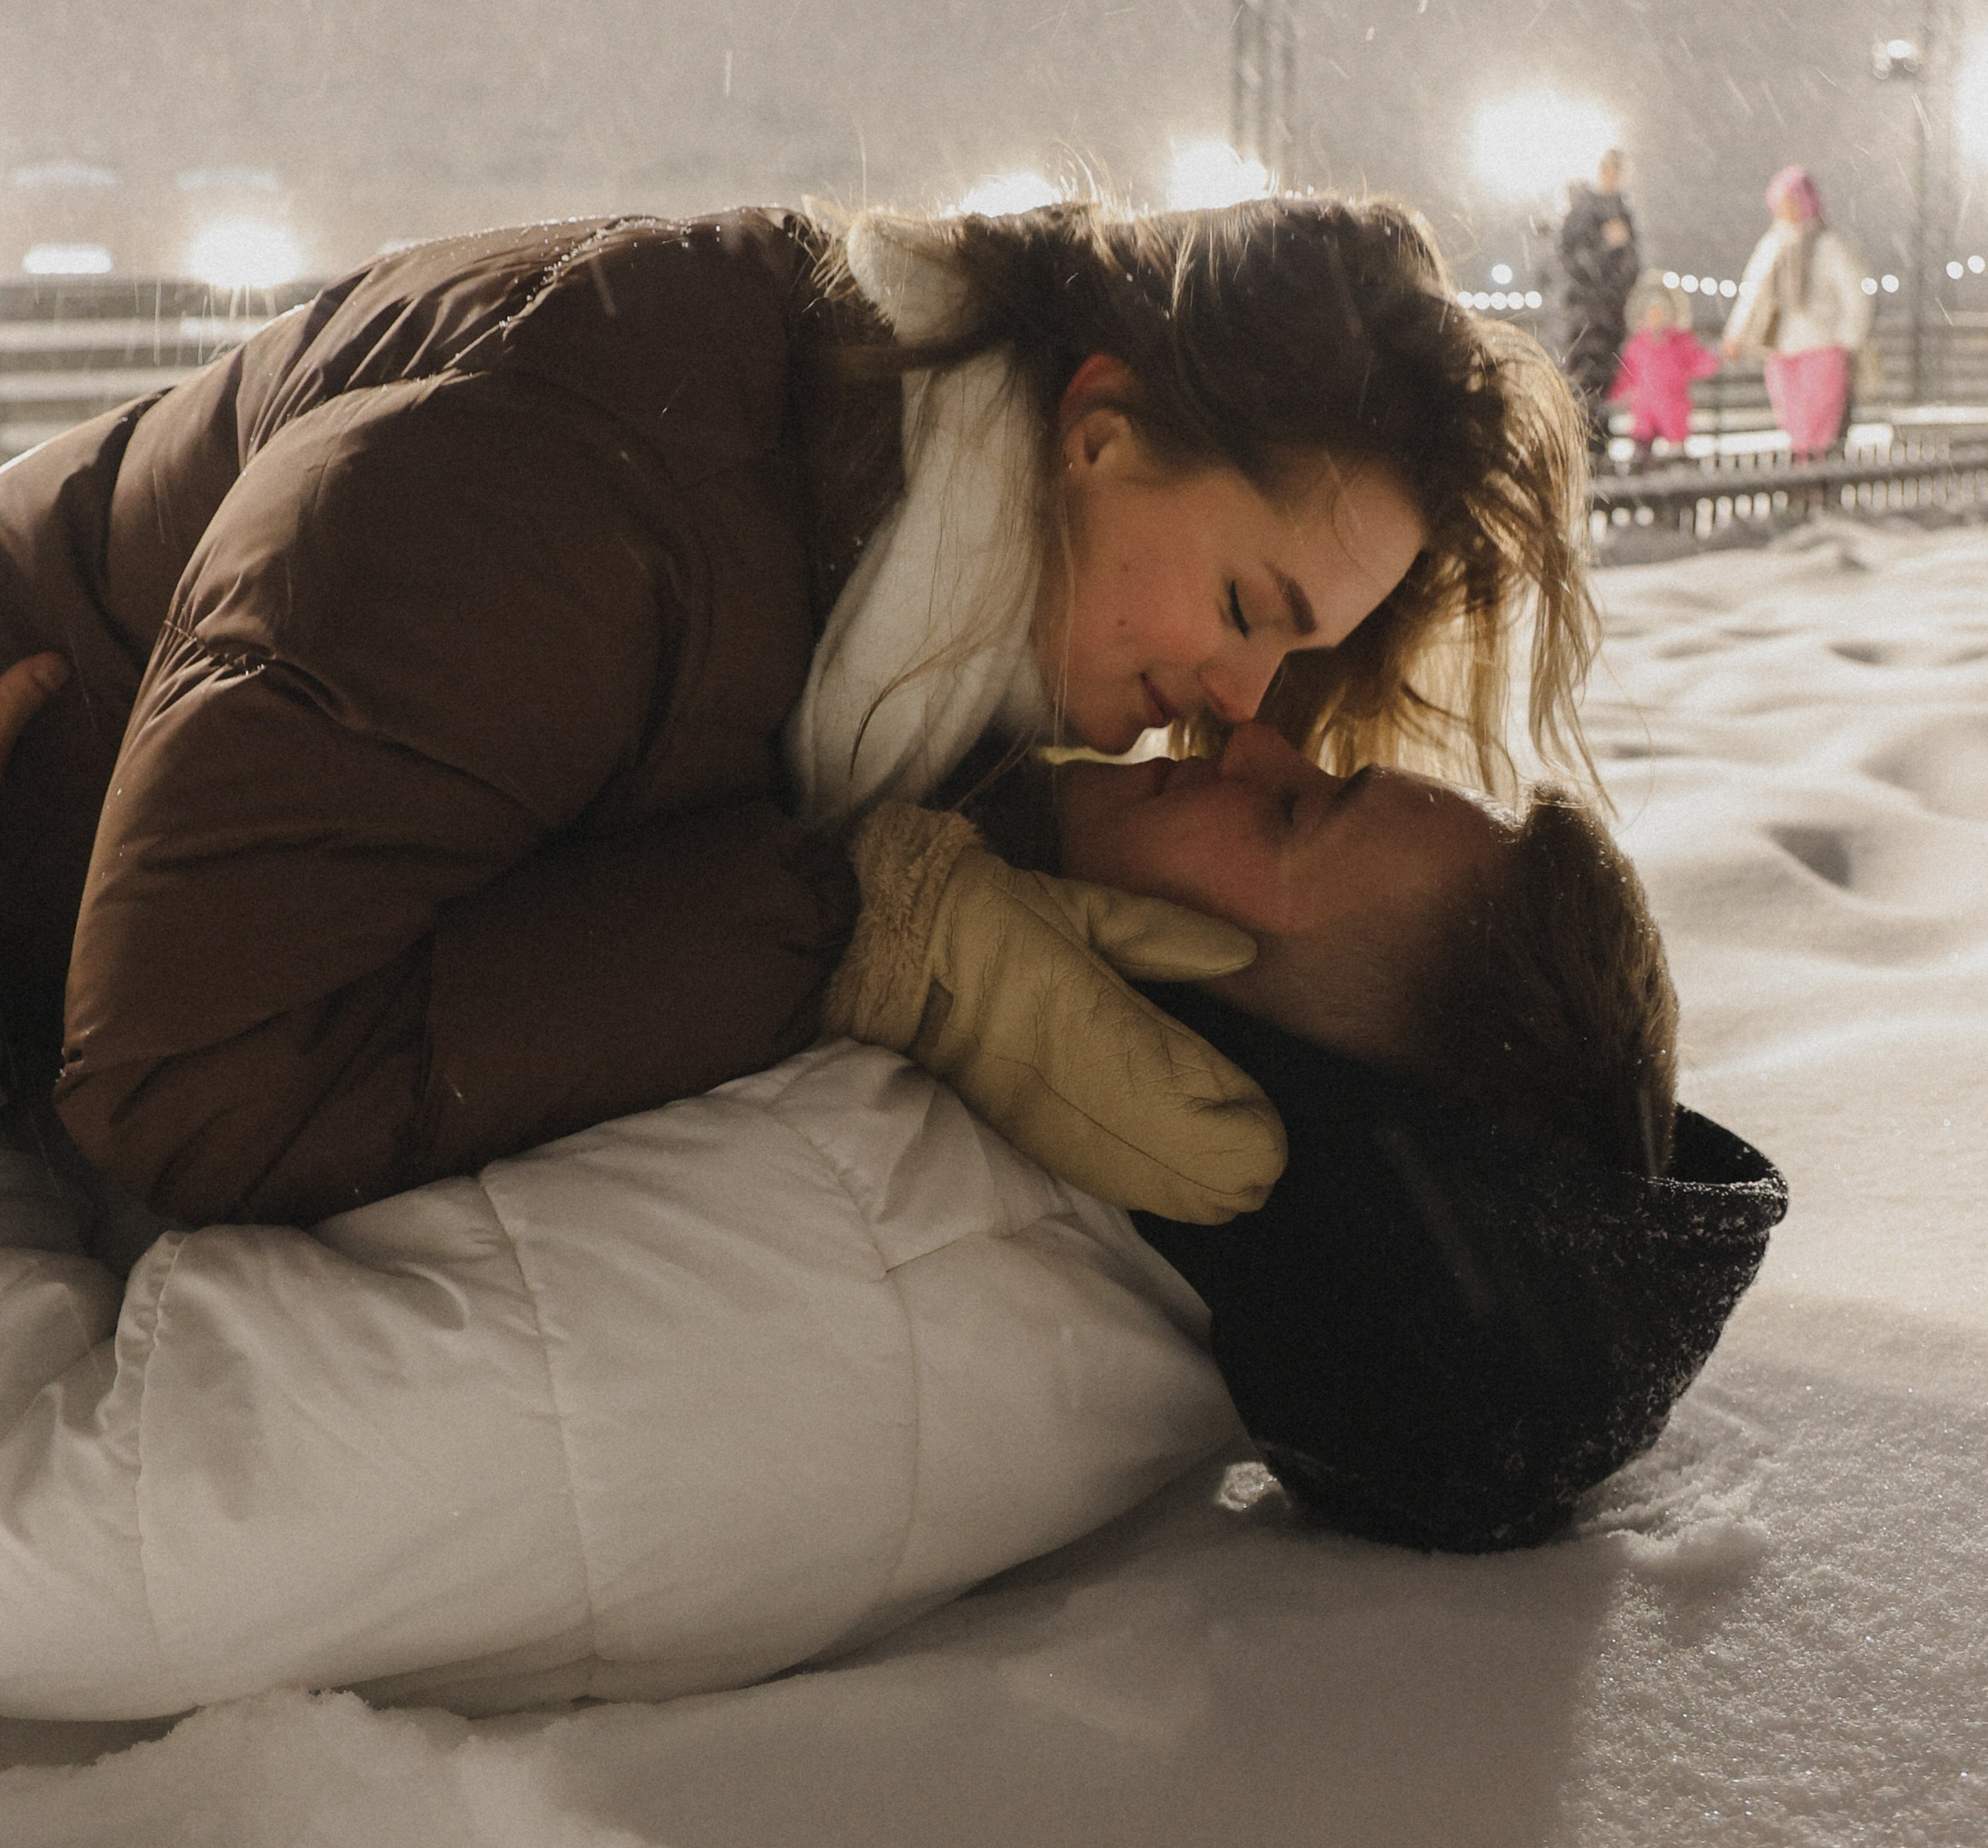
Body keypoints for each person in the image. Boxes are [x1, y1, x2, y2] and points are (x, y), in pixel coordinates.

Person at [0, 685, 1787, 1720]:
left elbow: (67, 1540)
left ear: (1264, 1084)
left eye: (1291, 814)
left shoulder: (846, 1306)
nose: (1242, 731)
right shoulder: (1008, 1164)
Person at [0, 194, 1594, 1232]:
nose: (1242, 713)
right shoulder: (591, 502)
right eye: (1251, 613)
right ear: (1099, 428)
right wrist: (849, 933)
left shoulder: (894, 586)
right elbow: (193, 1082)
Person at [1722, 166, 1873, 459]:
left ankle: (1813, 482)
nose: (1786, 210)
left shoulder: (1830, 246)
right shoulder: (1773, 245)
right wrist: (1736, 333)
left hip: (1822, 345)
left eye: (1792, 202)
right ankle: (1804, 480)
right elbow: (1752, 291)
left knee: (1818, 423)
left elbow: (1855, 295)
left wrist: (1848, 338)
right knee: (1793, 422)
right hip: (1781, 348)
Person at [1556, 149, 1642, 453]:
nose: (1613, 176)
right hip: (1588, 314)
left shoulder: (1623, 211)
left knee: (1605, 382)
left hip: (1612, 315)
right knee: (1584, 380)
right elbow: (1574, 259)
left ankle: (1597, 444)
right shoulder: (1584, 209)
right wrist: (1608, 245)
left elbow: (1632, 264)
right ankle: (1585, 445)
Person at [1609, 274, 1721, 463]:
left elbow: (1699, 361)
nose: (1656, 319)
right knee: (1641, 447)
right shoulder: (1637, 345)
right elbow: (1626, 374)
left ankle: (1675, 473)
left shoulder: (1680, 342)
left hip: (1673, 406)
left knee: (1676, 448)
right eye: (1651, 314)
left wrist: (1716, 357)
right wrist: (1614, 393)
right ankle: (1643, 473)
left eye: (1660, 314)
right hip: (1645, 408)